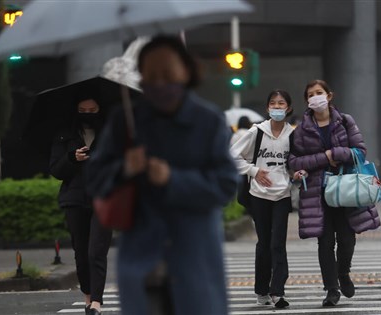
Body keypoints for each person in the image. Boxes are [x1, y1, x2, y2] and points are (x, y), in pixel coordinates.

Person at [85, 35, 238, 315]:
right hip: (142, 260)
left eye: (168, 73)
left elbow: (226, 184)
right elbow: (94, 179)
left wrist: (172, 179)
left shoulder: (208, 120)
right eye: (151, 74)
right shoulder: (126, 121)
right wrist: (124, 169)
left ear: (187, 71)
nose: (160, 82)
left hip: (194, 257)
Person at [288, 79, 381, 307]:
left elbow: (359, 151)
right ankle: (331, 289)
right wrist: (324, 158)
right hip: (318, 193)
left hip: (346, 189)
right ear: (306, 101)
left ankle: (343, 273)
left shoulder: (345, 121)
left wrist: (336, 153)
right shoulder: (301, 130)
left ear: (329, 96)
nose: (315, 97)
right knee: (325, 242)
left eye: (319, 92)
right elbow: (294, 160)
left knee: (347, 238)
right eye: (310, 94)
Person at [49, 92, 112, 315]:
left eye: (92, 111)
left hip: (104, 198)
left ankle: (96, 302)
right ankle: (87, 298)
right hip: (74, 199)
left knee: (97, 250)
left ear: (100, 110)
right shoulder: (64, 135)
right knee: (81, 252)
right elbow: (55, 170)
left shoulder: (111, 133)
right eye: (83, 111)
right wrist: (72, 158)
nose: (87, 115)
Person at [230, 90, 294, 308]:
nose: (277, 107)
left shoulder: (292, 134)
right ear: (268, 108)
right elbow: (232, 156)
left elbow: (297, 161)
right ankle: (262, 291)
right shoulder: (256, 132)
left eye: (281, 103)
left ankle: (278, 292)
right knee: (264, 243)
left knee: (278, 243)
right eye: (273, 104)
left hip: (282, 195)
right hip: (258, 195)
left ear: (289, 108)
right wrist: (253, 171)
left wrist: (298, 172)